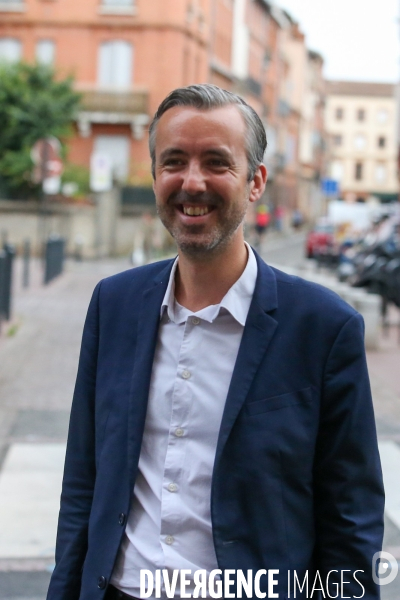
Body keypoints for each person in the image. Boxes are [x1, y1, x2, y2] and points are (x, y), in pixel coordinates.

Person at [47, 84, 384, 600]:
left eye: (217, 163)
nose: (192, 182)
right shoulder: (113, 305)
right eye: (174, 161)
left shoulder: (323, 327)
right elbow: (82, 484)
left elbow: (350, 521)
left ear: (255, 182)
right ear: (156, 174)